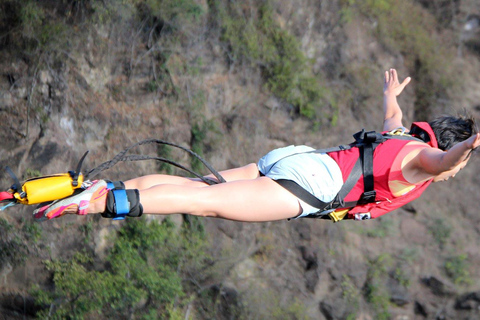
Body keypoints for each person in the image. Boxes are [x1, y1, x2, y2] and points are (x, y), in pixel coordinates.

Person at [34, 69, 480, 222]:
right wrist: (470, 147)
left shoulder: (403, 136)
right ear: (449, 147)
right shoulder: (426, 161)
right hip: (310, 185)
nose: (457, 170)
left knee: (197, 184)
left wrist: (390, 98)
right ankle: (101, 203)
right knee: (200, 202)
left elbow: (392, 118)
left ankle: (102, 186)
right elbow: (444, 161)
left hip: (301, 159)